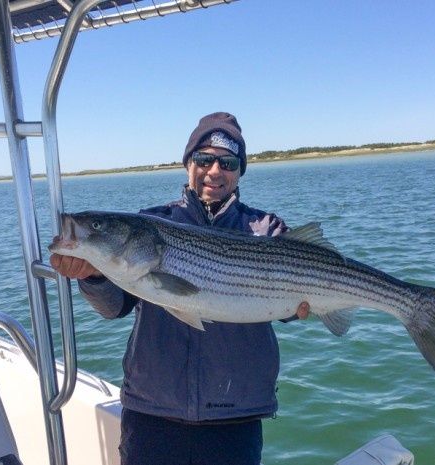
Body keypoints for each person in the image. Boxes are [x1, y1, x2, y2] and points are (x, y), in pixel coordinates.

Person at [50, 112, 309, 465]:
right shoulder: (153, 222)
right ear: (188, 163)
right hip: (152, 411)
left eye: (228, 162)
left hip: (234, 415)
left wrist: (301, 307)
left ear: (238, 171)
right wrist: (92, 277)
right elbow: (114, 307)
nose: (214, 171)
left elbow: (291, 308)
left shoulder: (266, 228)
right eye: (204, 159)